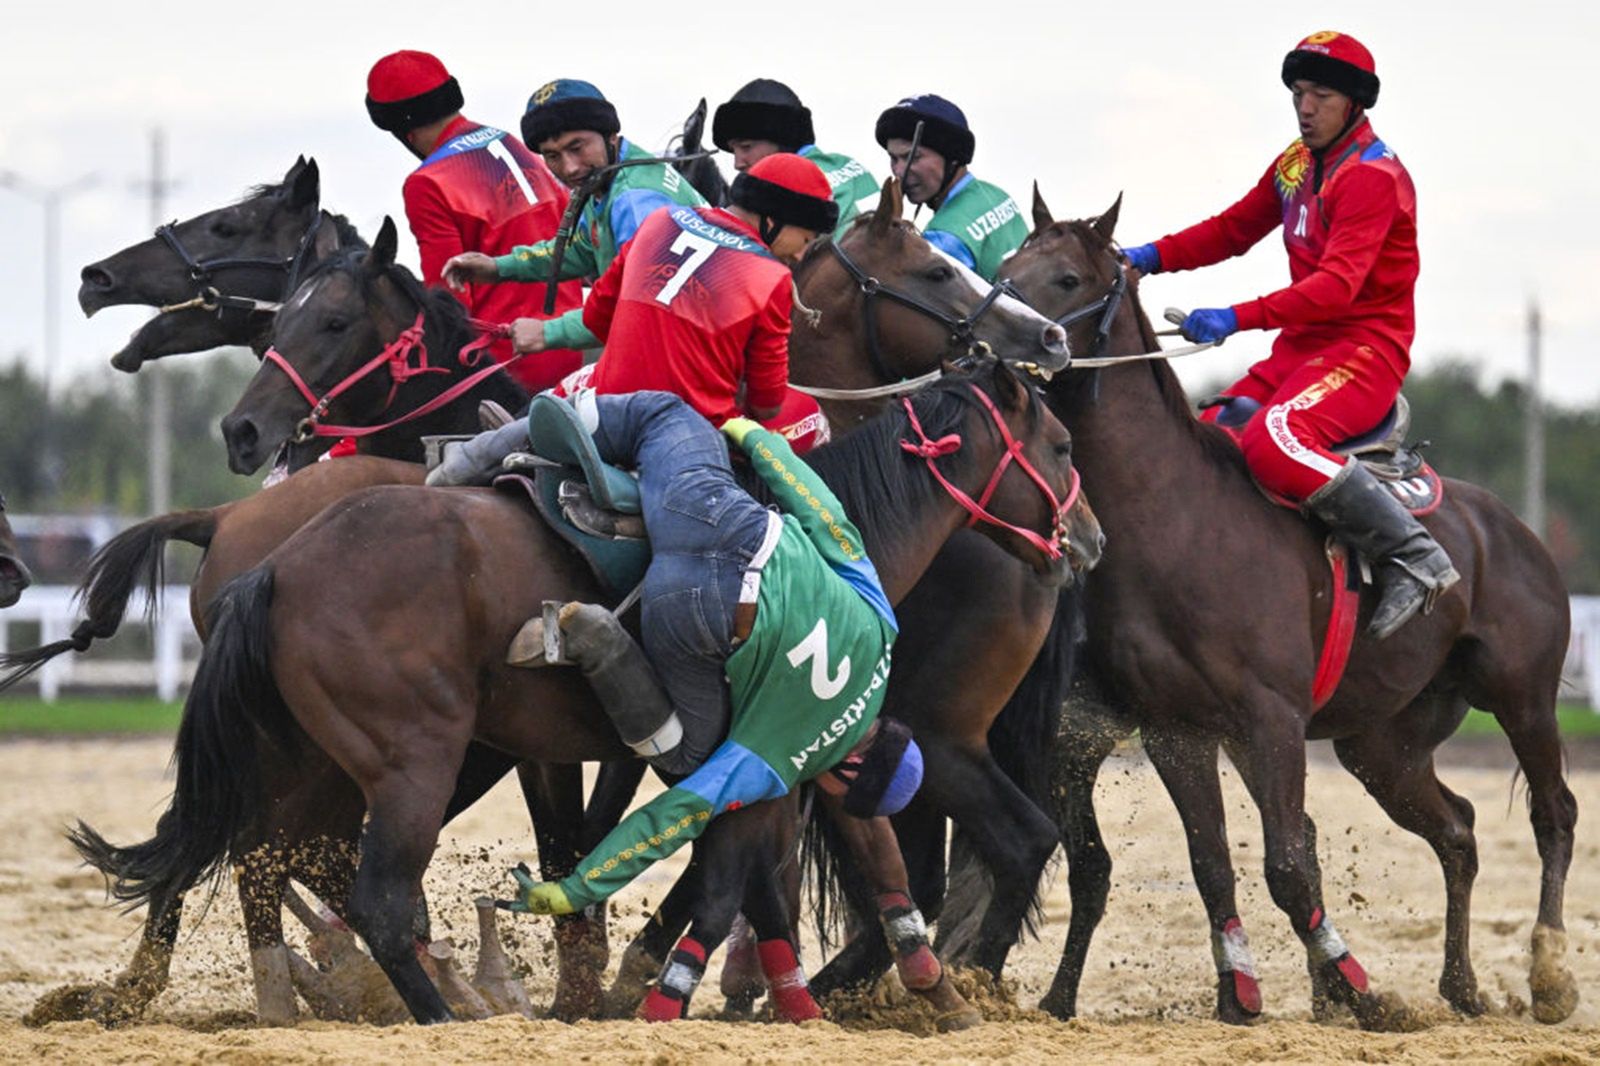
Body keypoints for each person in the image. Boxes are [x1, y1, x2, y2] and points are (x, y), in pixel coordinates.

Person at [494, 389, 930, 1020]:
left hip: (723, 517)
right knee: (691, 758)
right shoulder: (784, 759)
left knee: (667, 413)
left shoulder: (883, 626)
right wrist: (571, 891)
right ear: (851, 774)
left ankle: (534, 427)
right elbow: (676, 815)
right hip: (687, 612)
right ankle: (603, 642)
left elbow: (824, 512)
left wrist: (756, 437)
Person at [1119, 30, 1458, 640]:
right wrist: (1147, 255)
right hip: (1302, 351)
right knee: (1206, 438)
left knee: (1271, 442)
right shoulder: (1296, 163)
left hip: (1364, 355)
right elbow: (1231, 229)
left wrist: (1234, 316)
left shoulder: (1373, 178)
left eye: (1321, 95)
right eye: (1299, 92)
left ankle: (1415, 556)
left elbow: (1336, 289)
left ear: (1354, 103)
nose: (1304, 107)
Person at [425, 152, 837, 488]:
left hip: (601, 403)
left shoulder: (659, 220)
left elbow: (599, 318)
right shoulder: (773, 277)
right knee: (809, 416)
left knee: (577, 385)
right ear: (772, 219)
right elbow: (766, 403)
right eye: (803, 240)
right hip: (684, 430)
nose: (800, 256)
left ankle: (494, 446)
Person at [364, 50, 584, 391]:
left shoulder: (427, 182)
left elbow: (448, 305)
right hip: (571, 346)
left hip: (507, 369)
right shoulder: (507, 140)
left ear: (402, 130)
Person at [439, 79, 707, 358]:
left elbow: (639, 307)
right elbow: (581, 248)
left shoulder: (634, 202)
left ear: (610, 135)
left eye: (577, 147)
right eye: (552, 156)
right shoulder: (609, 174)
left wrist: (548, 333)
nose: (569, 167)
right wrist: (497, 267)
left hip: (690, 347)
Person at [874, 94, 1026, 281]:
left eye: (913, 157)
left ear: (952, 156)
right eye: (893, 158)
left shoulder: (943, 240)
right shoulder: (997, 195)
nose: (899, 171)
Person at [712, 78, 879, 236]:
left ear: (781, 138)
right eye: (734, 151)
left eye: (746, 147)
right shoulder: (848, 165)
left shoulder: (787, 188)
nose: (737, 164)